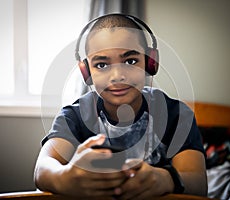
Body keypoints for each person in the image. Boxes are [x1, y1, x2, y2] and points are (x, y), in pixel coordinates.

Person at [34, 13, 207, 199]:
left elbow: (198, 182)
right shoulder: (74, 116)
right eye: (101, 65)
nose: (117, 75)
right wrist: (64, 177)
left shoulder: (177, 115)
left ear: (150, 62)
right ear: (86, 72)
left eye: (130, 61)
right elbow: (42, 169)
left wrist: (165, 179)